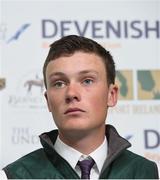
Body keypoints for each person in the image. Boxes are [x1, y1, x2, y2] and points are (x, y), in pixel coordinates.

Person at [0, 35, 159, 179]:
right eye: (59, 83)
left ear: (111, 95)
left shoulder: (150, 174)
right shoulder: (14, 176)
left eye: (87, 81)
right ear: (48, 100)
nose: (71, 93)